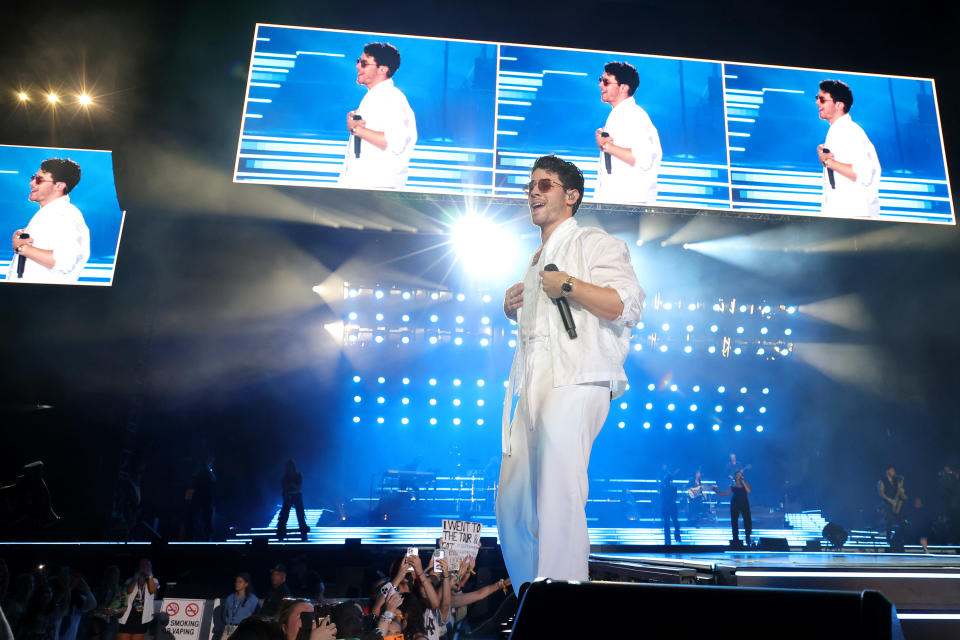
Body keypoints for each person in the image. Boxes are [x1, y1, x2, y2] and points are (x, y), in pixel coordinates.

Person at [497, 154, 644, 587]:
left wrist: (569, 285)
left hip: (577, 377)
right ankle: (532, 593)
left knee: (558, 492)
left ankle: (560, 600)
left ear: (572, 196)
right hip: (535, 383)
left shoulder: (594, 243)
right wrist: (513, 310)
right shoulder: (535, 258)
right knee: (513, 500)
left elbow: (626, 305)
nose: (534, 192)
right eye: (531, 186)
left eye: (545, 185)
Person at [339, 42, 417, 190]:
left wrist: (357, 130)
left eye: (364, 63)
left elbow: (396, 142)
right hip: (364, 191)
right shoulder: (376, 97)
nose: (357, 66)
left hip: (376, 192)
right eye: (358, 62)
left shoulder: (391, 98)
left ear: (382, 69)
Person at [7, 158, 90, 283]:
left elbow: (65, 261)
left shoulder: (65, 215)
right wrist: (22, 242)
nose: (32, 183)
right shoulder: (51, 213)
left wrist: (22, 248)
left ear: (59, 186)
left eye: (39, 179)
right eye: (33, 177)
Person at [593, 62, 661, 204]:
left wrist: (606, 146)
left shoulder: (634, 116)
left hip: (628, 207)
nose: (600, 85)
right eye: (601, 80)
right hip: (615, 206)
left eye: (606, 82)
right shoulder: (620, 115)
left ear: (623, 87)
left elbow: (644, 158)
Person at [816, 79, 881, 219]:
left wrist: (828, 162)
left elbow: (864, 174)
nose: (817, 103)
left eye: (822, 99)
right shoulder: (839, 131)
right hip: (844, 217)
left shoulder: (850, 131)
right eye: (817, 98)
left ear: (839, 105)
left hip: (854, 216)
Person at [117, 559, 158, 640]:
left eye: (147, 567)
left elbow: (152, 590)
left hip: (142, 618)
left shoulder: (154, 580)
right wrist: (136, 576)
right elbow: (129, 591)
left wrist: (149, 575)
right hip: (128, 617)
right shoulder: (130, 580)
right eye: (142, 566)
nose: (144, 569)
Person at [714, 470, 752, 548]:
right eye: (738, 475)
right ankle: (735, 539)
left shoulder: (746, 484)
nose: (740, 476)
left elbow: (748, 491)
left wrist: (743, 482)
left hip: (744, 503)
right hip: (735, 504)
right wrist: (716, 491)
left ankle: (748, 539)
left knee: (747, 520)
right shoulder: (732, 486)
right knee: (734, 522)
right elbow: (725, 493)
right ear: (735, 477)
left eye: (741, 475)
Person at [277, 461, 310, 541]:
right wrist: (291, 489)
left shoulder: (298, 475)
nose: (289, 468)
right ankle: (281, 534)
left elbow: (298, 488)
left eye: (291, 467)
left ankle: (303, 534)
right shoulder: (285, 477)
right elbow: (285, 488)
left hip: (296, 496)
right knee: (284, 516)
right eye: (288, 467)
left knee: (300, 515)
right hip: (288, 496)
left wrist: (290, 488)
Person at [221, 573, 258, 640]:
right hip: (228, 629)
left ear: (246, 584)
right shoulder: (230, 598)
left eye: (240, 582)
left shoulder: (252, 599)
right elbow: (224, 613)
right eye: (236, 582)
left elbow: (257, 615)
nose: (237, 584)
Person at [878, 465, 906, 544]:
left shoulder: (895, 481)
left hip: (896, 504)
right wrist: (890, 500)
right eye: (892, 470)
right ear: (887, 471)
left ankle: (901, 539)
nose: (894, 472)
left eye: (894, 470)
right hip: (887, 504)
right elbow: (881, 493)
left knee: (902, 521)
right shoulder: (882, 481)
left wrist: (902, 491)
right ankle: (888, 539)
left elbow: (899, 491)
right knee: (890, 521)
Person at [659, 466, 681, 545]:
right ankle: (677, 537)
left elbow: (661, 496)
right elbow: (674, 497)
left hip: (667, 507)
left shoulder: (663, 487)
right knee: (674, 522)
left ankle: (668, 541)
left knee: (668, 524)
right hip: (671, 507)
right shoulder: (673, 487)